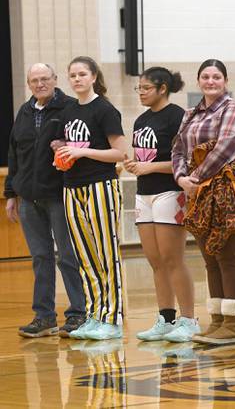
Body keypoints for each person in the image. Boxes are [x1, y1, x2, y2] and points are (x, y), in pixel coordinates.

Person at [172, 59, 235, 345]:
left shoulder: (234, 109)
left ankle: (234, 325)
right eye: (206, 77)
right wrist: (181, 178)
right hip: (199, 191)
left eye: (216, 77)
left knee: (229, 256)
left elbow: (227, 147)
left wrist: (194, 177)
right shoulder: (189, 113)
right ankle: (218, 321)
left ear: (225, 80)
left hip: (230, 189)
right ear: (198, 81)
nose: (211, 81)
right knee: (210, 258)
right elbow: (177, 149)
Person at [5, 63, 85, 338]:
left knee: (67, 256)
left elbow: (83, 146)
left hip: (60, 195)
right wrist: (11, 194)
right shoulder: (24, 112)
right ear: (28, 84)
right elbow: (14, 154)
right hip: (28, 197)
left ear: (54, 80)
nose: (40, 84)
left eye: (44, 79)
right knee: (40, 257)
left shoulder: (71, 108)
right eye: (34, 80)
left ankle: (77, 314)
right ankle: (44, 317)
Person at [55, 56, 127, 340]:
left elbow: (121, 153)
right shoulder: (69, 109)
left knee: (106, 254)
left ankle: (112, 317)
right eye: (72, 75)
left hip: (101, 185)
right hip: (72, 186)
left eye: (82, 74)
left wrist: (82, 152)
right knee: (85, 256)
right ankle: (95, 314)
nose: (77, 79)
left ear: (94, 77)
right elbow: (68, 145)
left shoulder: (105, 110)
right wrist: (61, 153)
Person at [126, 67, 198, 343]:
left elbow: (185, 162)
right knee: (155, 260)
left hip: (169, 192)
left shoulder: (177, 116)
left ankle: (189, 319)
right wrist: (135, 165)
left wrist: (149, 167)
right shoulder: (142, 120)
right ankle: (166, 318)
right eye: (139, 88)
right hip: (144, 194)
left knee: (172, 259)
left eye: (146, 88)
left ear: (162, 88)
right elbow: (143, 159)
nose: (141, 92)